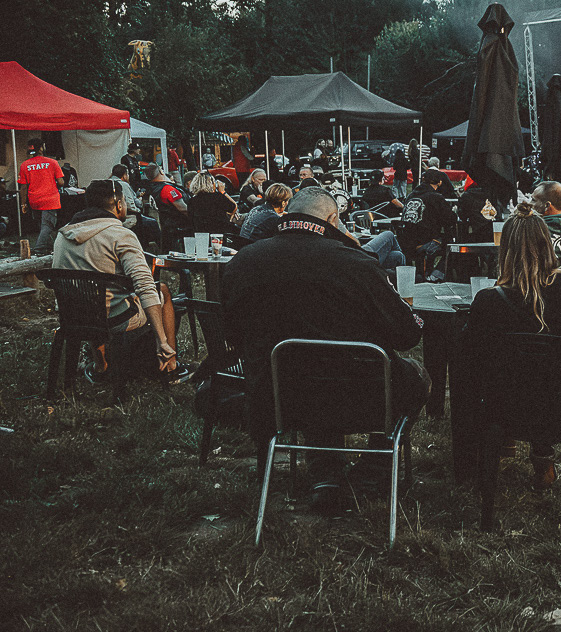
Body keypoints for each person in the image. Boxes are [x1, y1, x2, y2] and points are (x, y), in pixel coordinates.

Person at [222, 187, 428, 513]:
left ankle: (327, 476)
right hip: (358, 398)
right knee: (415, 375)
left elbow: (230, 334)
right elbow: (406, 336)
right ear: (333, 219)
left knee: (313, 371)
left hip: (273, 398)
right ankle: (372, 472)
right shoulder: (356, 264)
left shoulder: (243, 261)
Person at [459, 203, 561, 487]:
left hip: (507, 408)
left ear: (503, 250)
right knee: (549, 378)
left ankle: (473, 468)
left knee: (520, 379)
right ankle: (542, 458)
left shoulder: (487, 301)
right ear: (548, 244)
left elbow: (471, 362)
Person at [52, 179, 193, 384]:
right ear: (119, 204)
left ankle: (101, 367)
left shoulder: (62, 235)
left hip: (72, 316)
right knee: (161, 289)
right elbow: (144, 285)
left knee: (96, 299)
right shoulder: (120, 235)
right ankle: (170, 364)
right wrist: (160, 340)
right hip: (112, 320)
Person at [400, 169, 457, 274]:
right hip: (426, 241)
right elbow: (450, 219)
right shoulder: (436, 197)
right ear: (439, 182)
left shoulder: (410, 196)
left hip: (405, 241)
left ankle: (428, 272)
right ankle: (436, 275)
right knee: (454, 246)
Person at [17, 138, 64, 255]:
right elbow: (61, 182)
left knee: (42, 227)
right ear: (41, 148)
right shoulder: (52, 162)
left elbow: (23, 187)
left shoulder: (24, 165)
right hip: (50, 200)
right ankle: (39, 250)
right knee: (47, 226)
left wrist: (23, 204)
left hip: (34, 200)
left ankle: (50, 248)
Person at [110, 164, 160, 249]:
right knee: (153, 223)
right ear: (124, 175)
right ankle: (157, 249)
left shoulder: (108, 183)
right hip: (128, 218)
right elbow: (131, 206)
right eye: (128, 174)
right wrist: (139, 208)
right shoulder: (124, 185)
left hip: (111, 217)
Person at [144, 164, 190, 251]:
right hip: (178, 231)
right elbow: (183, 209)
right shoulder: (167, 189)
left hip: (167, 230)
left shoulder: (152, 188)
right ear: (161, 171)